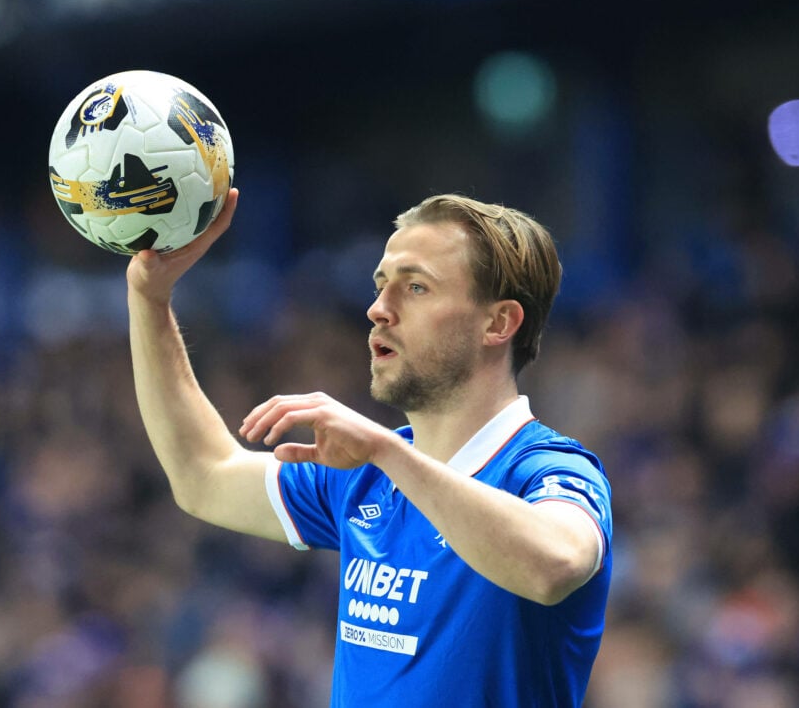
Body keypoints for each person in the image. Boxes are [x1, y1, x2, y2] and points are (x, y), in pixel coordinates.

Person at [126, 188, 612, 707]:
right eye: (381, 286)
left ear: (498, 323)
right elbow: (203, 476)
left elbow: (556, 565)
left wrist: (388, 454)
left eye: (417, 287)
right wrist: (149, 300)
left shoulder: (548, 469)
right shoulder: (364, 474)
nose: (379, 309)